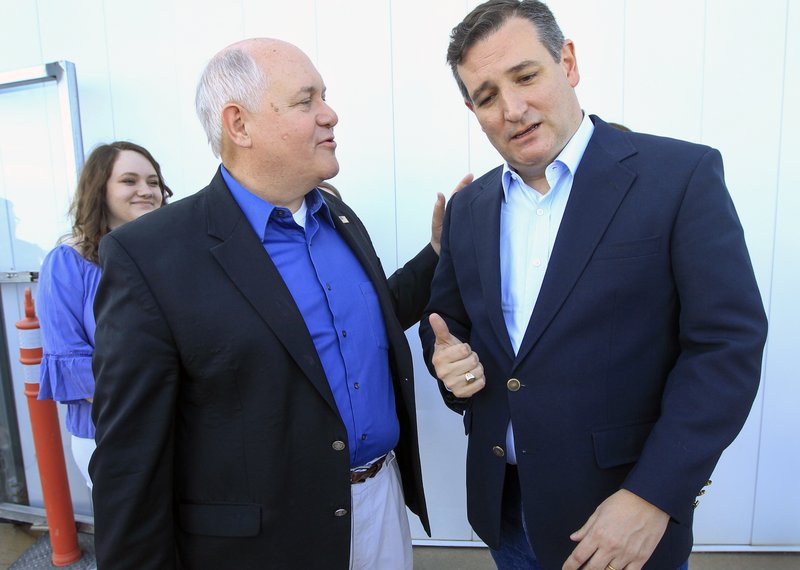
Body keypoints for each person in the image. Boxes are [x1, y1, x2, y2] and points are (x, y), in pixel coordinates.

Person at [89, 38, 468, 569]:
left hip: (382, 506)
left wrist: (436, 254)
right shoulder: (149, 256)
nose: (330, 114)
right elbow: (130, 463)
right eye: (306, 100)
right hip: (266, 545)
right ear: (239, 124)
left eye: (325, 97)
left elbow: (369, 317)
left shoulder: (339, 222)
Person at [419, 2, 768, 569]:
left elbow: (725, 349)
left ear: (568, 62)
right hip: (505, 515)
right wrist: (450, 366)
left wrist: (653, 496)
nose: (512, 109)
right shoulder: (469, 208)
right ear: (471, 109)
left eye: (526, 76)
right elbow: (450, 328)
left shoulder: (680, 177)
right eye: (486, 96)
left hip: (623, 522)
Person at [36, 141, 171, 489]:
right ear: (100, 191)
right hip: (112, 433)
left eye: (153, 182)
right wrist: (152, 405)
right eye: (129, 181)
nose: (146, 191)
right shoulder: (69, 262)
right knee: (135, 539)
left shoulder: (169, 257)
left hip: (178, 429)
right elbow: (70, 362)